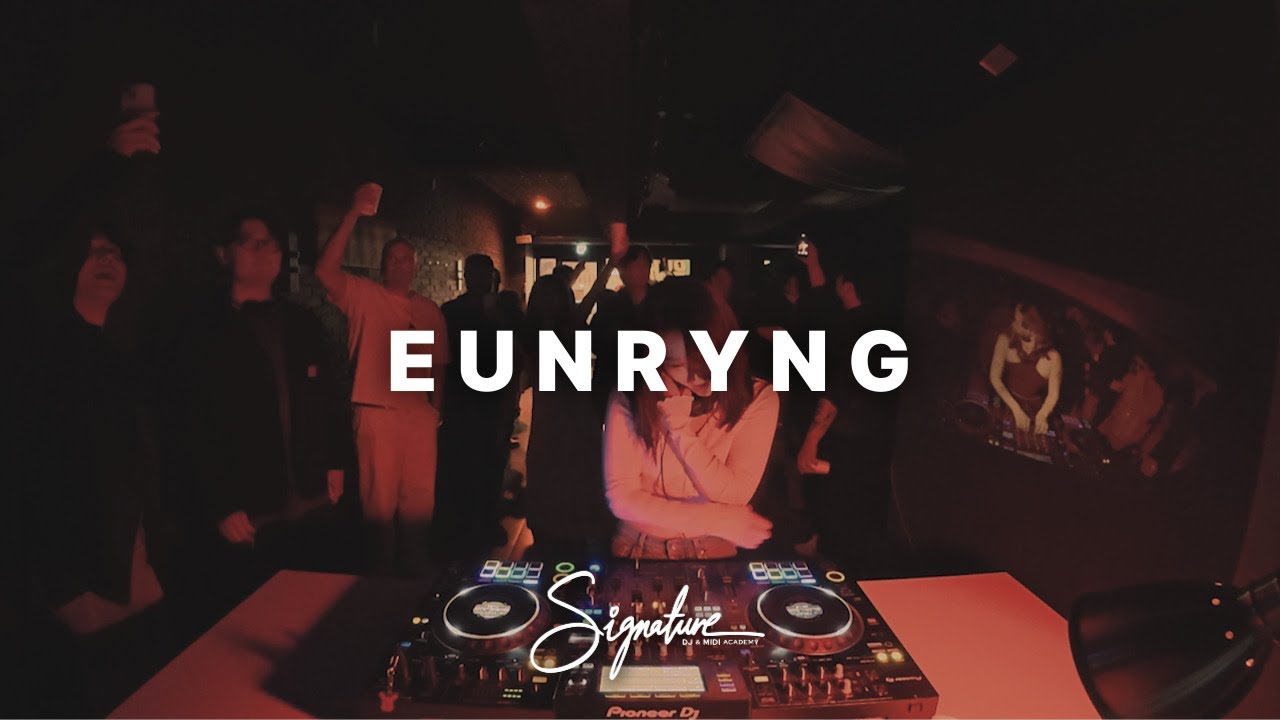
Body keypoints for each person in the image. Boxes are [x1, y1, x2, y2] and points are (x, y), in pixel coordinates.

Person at [15, 226, 177, 715]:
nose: (108, 259)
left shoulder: (112, 353)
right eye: (92, 252)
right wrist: (60, 580)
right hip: (82, 571)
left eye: (115, 253)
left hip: (131, 560)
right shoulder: (41, 355)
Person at [182, 214, 353, 610]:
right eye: (250, 241)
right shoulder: (204, 331)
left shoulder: (301, 323)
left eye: (270, 242)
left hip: (312, 496)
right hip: (251, 508)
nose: (263, 250)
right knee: (260, 610)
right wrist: (219, 501)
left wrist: (336, 462)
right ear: (223, 254)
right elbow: (194, 422)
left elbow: (328, 399)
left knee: (319, 605)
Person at [315, 184, 449, 576]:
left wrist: (435, 408)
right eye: (392, 258)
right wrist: (353, 213)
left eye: (406, 259)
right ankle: (381, 575)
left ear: (415, 266)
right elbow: (325, 272)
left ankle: (413, 570)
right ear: (381, 264)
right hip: (376, 412)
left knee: (419, 500)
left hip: (417, 416)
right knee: (378, 503)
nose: (399, 265)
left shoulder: (428, 310)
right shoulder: (363, 295)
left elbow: (439, 363)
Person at [604, 278, 778, 559]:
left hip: (712, 549)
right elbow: (622, 498)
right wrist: (720, 520)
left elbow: (734, 494)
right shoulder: (632, 395)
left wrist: (680, 430)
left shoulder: (758, 399)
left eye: (704, 359)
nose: (697, 376)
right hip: (638, 547)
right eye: (677, 365)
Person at [795, 259, 900, 572]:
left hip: (844, 431)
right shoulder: (880, 325)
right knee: (855, 497)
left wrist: (811, 439)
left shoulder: (851, 328)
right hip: (873, 433)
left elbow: (836, 390)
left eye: (839, 283)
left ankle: (833, 562)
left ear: (848, 287)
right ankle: (830, 547)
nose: (836, 288)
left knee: (835, 494)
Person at [522, 262, 617, 555]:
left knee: (547, 474)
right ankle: (582, 535)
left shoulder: (528, 334)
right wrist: (610, 264)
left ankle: (547, 535)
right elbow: (593, 294)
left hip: (548, 416)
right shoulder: (573, 325)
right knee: (582, 474)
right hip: (579, 415)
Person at [438, 254, 524, 553]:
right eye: (476, 274)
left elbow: (516, 352)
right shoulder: (453, 312)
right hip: (466, 401)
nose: (481, 280)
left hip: (486, 401)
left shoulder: (492, 311)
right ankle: (472, 523)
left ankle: (480, 522)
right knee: (472, 465)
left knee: (489, 464)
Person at [591, 243, 652, 415]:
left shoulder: (661, 304)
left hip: (649, 387)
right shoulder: (611, 307)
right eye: (635, 266)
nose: (641, 271)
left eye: (644, 265)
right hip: (616, 382)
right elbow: (596, 342)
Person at [989, 303, 1063, 435]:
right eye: (1015, 318)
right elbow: (995, 377)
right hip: (1004, 399)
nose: (1014, 323)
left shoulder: (1054, 357)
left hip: (1033, 409)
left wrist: (1042, 415)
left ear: (1034, 326)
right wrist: (1016, 409)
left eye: (1019, 321)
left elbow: (1053, 395)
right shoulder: (1004, 339)